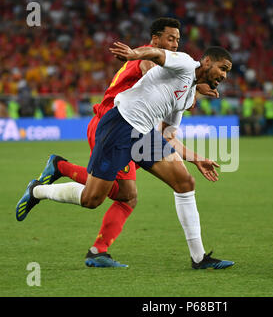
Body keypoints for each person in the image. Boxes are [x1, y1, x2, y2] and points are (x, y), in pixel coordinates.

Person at [16, 43, 235, 270]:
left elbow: (168, 134)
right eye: (223, 68)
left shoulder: (188, 94)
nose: (224, 75)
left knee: (184, 182)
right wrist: (134, 54)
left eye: (227, 71)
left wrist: (196, 158)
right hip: (120, 125)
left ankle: (199, 258)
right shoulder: (186, 63)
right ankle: (37, 190)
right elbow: (158, 54)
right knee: (92, 199)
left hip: (145, 134)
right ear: (207, 62)